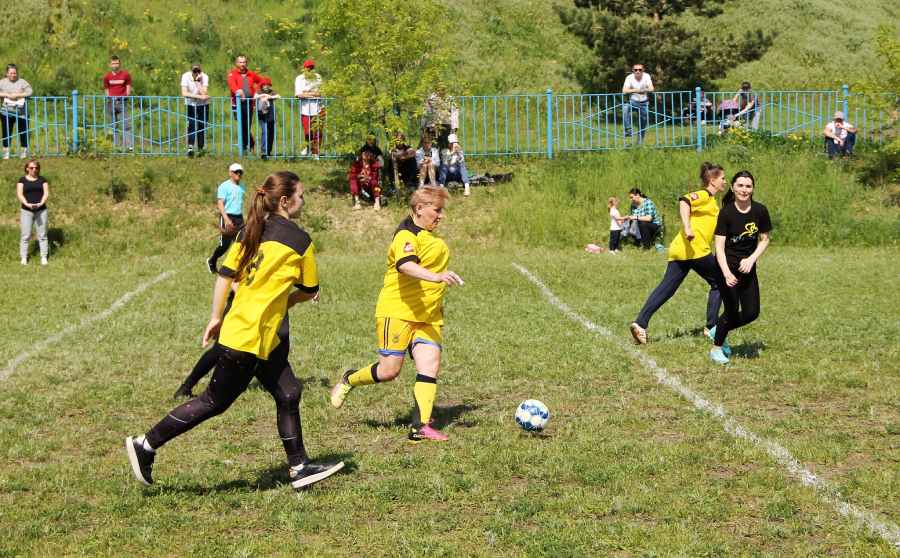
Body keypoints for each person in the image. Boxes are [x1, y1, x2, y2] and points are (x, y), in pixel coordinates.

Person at [126, 171, 345, 490]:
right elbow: (310, 290)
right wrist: (288, 300)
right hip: (251, 337)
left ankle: (299, 467)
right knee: (214, 401)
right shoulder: (299, 240)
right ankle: (145, 445)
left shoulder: (251, 229)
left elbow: (224, 275)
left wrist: (216, 317)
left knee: (288, 392)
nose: (304, 200)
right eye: (301, 195)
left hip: (252, 332)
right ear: (285, 201)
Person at [329, 186, 464, 442]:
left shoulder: (429, 236)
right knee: (389, 371)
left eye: (442, 210)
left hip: (428, 315)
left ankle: (420, 426)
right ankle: (349, 379)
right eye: (437, 210)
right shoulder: (405, 235)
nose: (441, 216)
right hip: (398, 311)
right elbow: (405, 266)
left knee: (430, 365)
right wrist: (436, 277)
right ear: (419, 208)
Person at [629, 162, 727, 345]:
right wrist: (688, 227)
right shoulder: (705, 195)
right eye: (722, 178)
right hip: (695, 249)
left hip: (681, 249)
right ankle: (712, 327)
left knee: (667, 288)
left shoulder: (712, 202)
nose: (725, 181)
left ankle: (640, 323)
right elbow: (684, 201)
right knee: (720, 282)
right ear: (712, 180)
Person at [709, 171, 771, 364]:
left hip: (748, 268)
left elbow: (765, 239)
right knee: (731, 309)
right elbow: (718, 246)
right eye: (740, 185)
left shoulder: (760, 211)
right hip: (726, 269)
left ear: (753, 189)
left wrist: (752, 259)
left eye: (748, 186)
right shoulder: (726, 212)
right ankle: (716, 349)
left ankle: (717, 328)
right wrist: (727, 273)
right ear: (733, 187)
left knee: (752, 312)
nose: (744, 190)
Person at [207, 163, 246, 273]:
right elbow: (220, 204)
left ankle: (238, 267)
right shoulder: (224, 186)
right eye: (236, 172)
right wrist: (226, 219)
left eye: (240, 172)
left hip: (239, 218)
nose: (239, 174)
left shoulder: (242, 186)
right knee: (224, 245)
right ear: (230, 173)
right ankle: (212, 260)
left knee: (242, 243)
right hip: (227, 217)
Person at [16, 159, 49, 266]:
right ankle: (24, 258)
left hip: (41, 210)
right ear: (27, 168)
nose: (34, 170)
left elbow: (46, 194)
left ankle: (44, 257)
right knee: (25, 235)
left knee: (42, 234)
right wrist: (27, 204)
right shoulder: (22, 180)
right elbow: (20, 194)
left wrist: (40, 203)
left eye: (36, 168)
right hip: (26, 210)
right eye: (31, 168)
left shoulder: (43, 180)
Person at [227, 55, 262, 152]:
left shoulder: (251, 74)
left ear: (246, 63)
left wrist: (256, 91)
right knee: (241, 125)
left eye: (244, 62)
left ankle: (246, 145)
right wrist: (238, 91)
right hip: (237, 104)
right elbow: (232, 85)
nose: (242, 64)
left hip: (249, 104)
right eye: (240, 62)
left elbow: (261, 81)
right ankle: (246, 145)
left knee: (247, 125)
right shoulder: (232, 74)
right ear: (236, 63)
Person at [0, 64, 33, 160]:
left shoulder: (22, 82)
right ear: (7, 73)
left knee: (23, 132)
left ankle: (24, 152)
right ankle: (6, 153)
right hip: (6, 112)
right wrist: (6, 94)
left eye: (14, 73)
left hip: (22, 112)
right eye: (11, 73)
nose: (13, 75)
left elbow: (30, 91)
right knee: (6, 132)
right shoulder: (2, 82)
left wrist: (18, 95)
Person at [294, 60, 323, 159]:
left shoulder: (318, 77)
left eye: (311, 68)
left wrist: (307, 93)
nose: (309, 70)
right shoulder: (299, 78)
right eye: (308, 68)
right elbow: (299, 94)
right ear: (304, 68)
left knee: (318, 132)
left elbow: (319, 93)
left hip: (318, 108)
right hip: (305, 109)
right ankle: (307, 146)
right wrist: (311, 93)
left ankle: (316, 153)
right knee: (307, 132)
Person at [103, 55, 133, 151]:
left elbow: (128, 88)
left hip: (122, 102)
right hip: (110, 103)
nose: (115, 65)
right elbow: (106, 89)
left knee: (126, 124)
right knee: (113, 125)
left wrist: (125, 97)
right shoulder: (107, 76)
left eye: (117, 63)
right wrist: (109, 99)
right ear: (110, 65)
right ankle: (116, 146)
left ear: (119, 64)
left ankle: (128, 146)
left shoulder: (126, 75)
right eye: (113, 63)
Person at [180, 63, 210, 157]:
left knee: (202, 125)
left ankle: (200, 149)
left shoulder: (205, 77)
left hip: (203, 105)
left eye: (198, 71)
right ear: (191, 71)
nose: (196, 73)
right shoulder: (185, 76)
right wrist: (199, 96)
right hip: (190, 104)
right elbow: (184, 93)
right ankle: (190, 148)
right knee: (191, 125)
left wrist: (198, 82)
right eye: (194, 71)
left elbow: (204, 93)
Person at [622, 63, 654, 144]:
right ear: (633, 71)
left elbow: (651, 88)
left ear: (643, 70)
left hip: (644, 103)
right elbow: (624, 91)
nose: (638, 71)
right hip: (633, 101)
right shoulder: (629, 77)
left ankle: (639, 143)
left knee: (643, 123)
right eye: (636, 70)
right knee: (625, 108)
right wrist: (637, 90)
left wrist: (642, 90)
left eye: (640, 70)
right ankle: (628, 130)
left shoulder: (646, 76)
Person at [255, 77, 280, 159]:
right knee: (265, 131)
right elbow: (255, 97)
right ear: (261, 86)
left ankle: (269, 151)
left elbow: (278, 96)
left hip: (271, 115)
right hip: (262, 115)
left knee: (271, 133)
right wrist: (263, 95)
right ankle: (264, 152)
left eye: (267, 85)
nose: (266, 86)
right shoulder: (259, 91)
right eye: (264, 85)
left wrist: (269, 97)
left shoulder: (272, 92)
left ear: (270, 86)